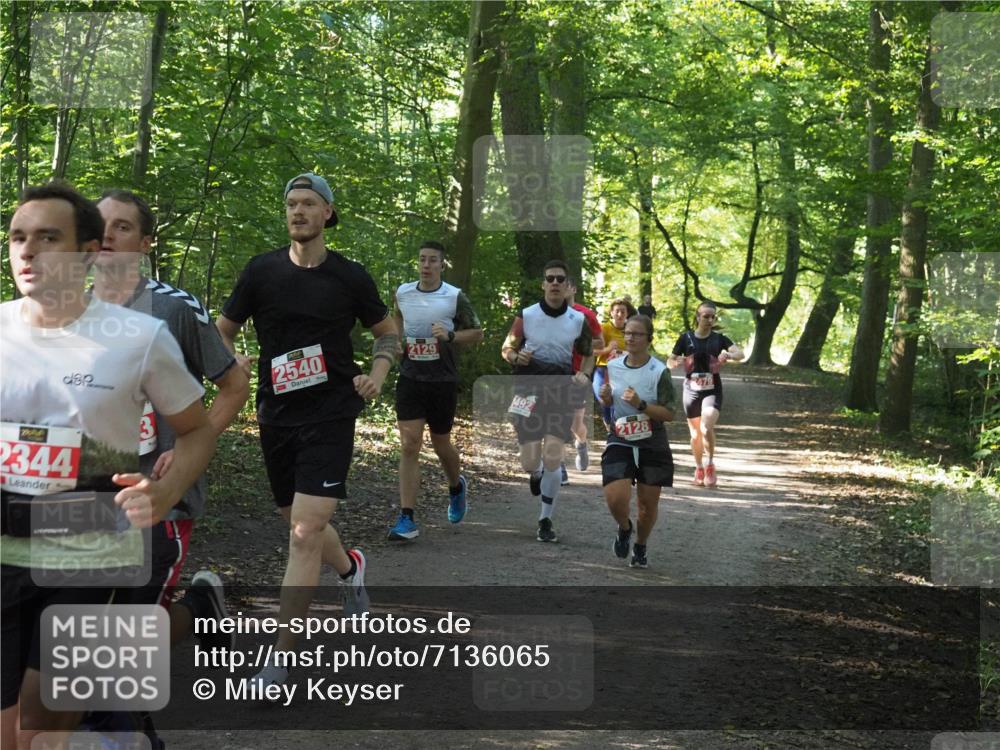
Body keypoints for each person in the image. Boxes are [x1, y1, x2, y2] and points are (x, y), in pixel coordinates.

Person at [1, 183, 214, 749]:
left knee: (40, 727)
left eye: (48, 238)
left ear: (88, 251)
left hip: (92, 535)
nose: (28, 252)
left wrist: (165, 493)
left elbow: (196, 432)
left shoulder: (139, 338)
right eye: (18, 237)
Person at [217, 173, 399, 691]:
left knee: (303, 532)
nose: (297, 211)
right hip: (277, 414)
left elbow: (386, 333)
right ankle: (349, 568)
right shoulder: (261, 272)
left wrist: (377, 374)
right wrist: (234, 361)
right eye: (291, 204)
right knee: (294, 520)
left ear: (328, 214)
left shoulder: (350, 277)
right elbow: (222, 332)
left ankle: (279, 661)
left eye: (307, 204)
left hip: (332, 413)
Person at [93, 189, 249, 642]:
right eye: (99, 225)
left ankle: (121, 712)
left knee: (126, 635)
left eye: (122, 227)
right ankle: (201, 612)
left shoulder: (173, 308)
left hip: (160, 492)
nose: (107, 235)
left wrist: (184, 454)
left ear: (145, 245)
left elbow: (234, 386)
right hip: (90, 496)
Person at [388, 241, 483, 540]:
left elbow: (478, 333)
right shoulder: (403, 292)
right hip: (410, 377)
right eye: (422, 260)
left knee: (442, 444)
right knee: (409, 444)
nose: (426, 265)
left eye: (432, 261)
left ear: (442, 265)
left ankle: (456, 485)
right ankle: (406, 518)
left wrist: (451, 334)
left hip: (442, 380)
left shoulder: (455, 296)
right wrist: (398, 341)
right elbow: (397, 319)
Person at [501, 260, 594, 543]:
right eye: (550, 278)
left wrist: (585, 375)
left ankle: (545, 519)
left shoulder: (578, 321)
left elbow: (589, 355)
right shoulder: (526, 316)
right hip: (528, 390)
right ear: (543, 284)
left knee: (554, 454)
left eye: (560, 279)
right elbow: (506, 348)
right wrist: (517, 357)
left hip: (560, 390)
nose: (555, 283)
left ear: (567, 287)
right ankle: (536, 473)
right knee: (530, 462)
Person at [599, 314, 675, 568]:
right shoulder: (614, 366)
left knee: (646, 504)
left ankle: (641, 545)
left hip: (652, 439)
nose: (630, 338)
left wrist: (641, 404)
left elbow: (669, 413)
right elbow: (610, 402)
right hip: (621, 436)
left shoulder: (659, 371)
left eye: (637, 334)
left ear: (648, 339)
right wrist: (607, 397)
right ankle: (624, 527)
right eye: (628, 333)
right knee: (614, 497)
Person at [667, 302, 744, 488]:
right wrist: (675, 361)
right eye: (706, 316)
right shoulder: (685, 338)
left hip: (712, 388)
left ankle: (710, 463)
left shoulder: (719, 339)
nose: (709, 320)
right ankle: (699, 467)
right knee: (695, 435)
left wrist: (729, 356)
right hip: (691, 389)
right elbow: (669, 361)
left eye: (713, 317)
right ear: (697, 316)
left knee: (706, 425)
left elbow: (740, 354)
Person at [565, 279, 603, 473]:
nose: (559, 287)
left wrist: (580, 341)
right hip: (553, 373)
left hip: (578, 372)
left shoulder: (586, 315)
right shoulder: (544, 315)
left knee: (574, 423)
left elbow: (600, 342)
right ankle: (557, 466)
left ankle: (581, 443)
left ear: (573, 289)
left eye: (565, 283)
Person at [592, 298, 636, 432]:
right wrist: (607, 349)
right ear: (611, 313)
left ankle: (614, 431)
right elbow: (591, 351)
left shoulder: (631, 330)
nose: (620, 314)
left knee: (617, 402)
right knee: (602, 398)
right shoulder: (604, 328)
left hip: (623, 371)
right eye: (617, 311)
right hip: (603, 369)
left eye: (623, 312)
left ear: (627, 313)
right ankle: (608, 422)